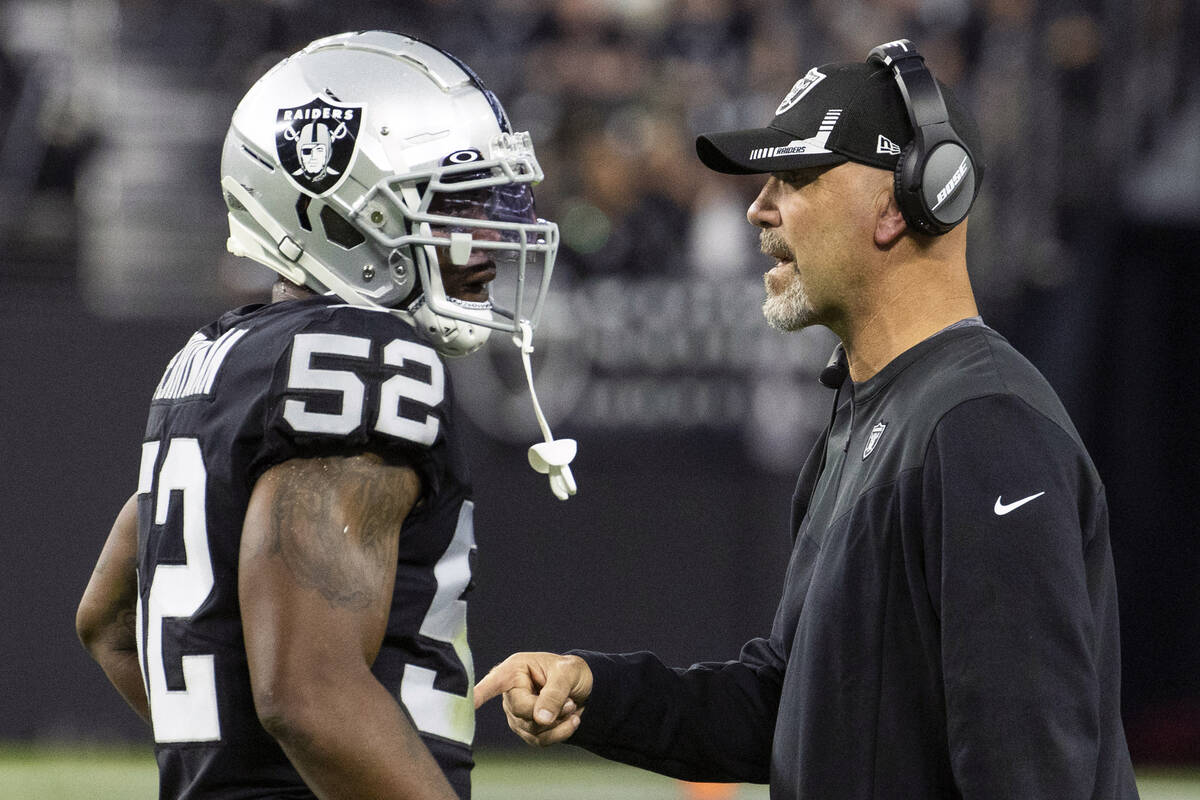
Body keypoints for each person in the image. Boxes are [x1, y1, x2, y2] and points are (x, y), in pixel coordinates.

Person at [475, 40, 1140, 799]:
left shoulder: (982, 427)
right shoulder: (876, 412)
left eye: (793, 177)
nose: (759, 207)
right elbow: (788, 708)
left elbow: (1029, 772)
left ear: (905, 200)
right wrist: (602, 693)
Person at [75, 30, 575, 800]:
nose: (487, 239)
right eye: (452, 204)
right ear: (341, 216)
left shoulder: (218, 359)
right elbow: (308, 698)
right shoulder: (362, 360)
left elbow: (108, 618)